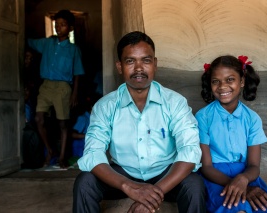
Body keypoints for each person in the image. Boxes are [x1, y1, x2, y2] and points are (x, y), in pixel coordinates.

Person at [73, 31, 206, 213]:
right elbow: (93, 154)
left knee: (194, 184)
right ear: (119, 66)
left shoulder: (175, 102)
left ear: (155, 64)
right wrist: (128, 186)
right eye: (130, 61)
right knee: (85, 182)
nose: (138, 68)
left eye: (146, 60)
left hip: (166, 174)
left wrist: (151, 196)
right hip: (123, 173)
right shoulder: (105, 106)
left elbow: (190, 151)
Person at [195, 55, 267, 213]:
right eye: (216, 81)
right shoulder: (203, 117)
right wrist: (236, 185)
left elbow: (254, 166)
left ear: (242, 81)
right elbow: (206, 167)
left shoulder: (252, 119)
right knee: (238, 210)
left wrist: (243, 180)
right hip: (216, 176)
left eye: (230, 79)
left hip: (246, 174)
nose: (222, 86)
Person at [27, 9, 85, 168]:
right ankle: (50, 150)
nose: (58, 28)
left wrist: (74, 94)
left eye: (63, 25)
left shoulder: (73, 50)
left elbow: (78, 73)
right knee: (39, 118)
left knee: (63, 124)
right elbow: (27, 41)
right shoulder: (46, 43)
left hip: (63, 88)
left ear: (70, 28)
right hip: (45, 86)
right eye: (56, 24)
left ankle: (61, 157)